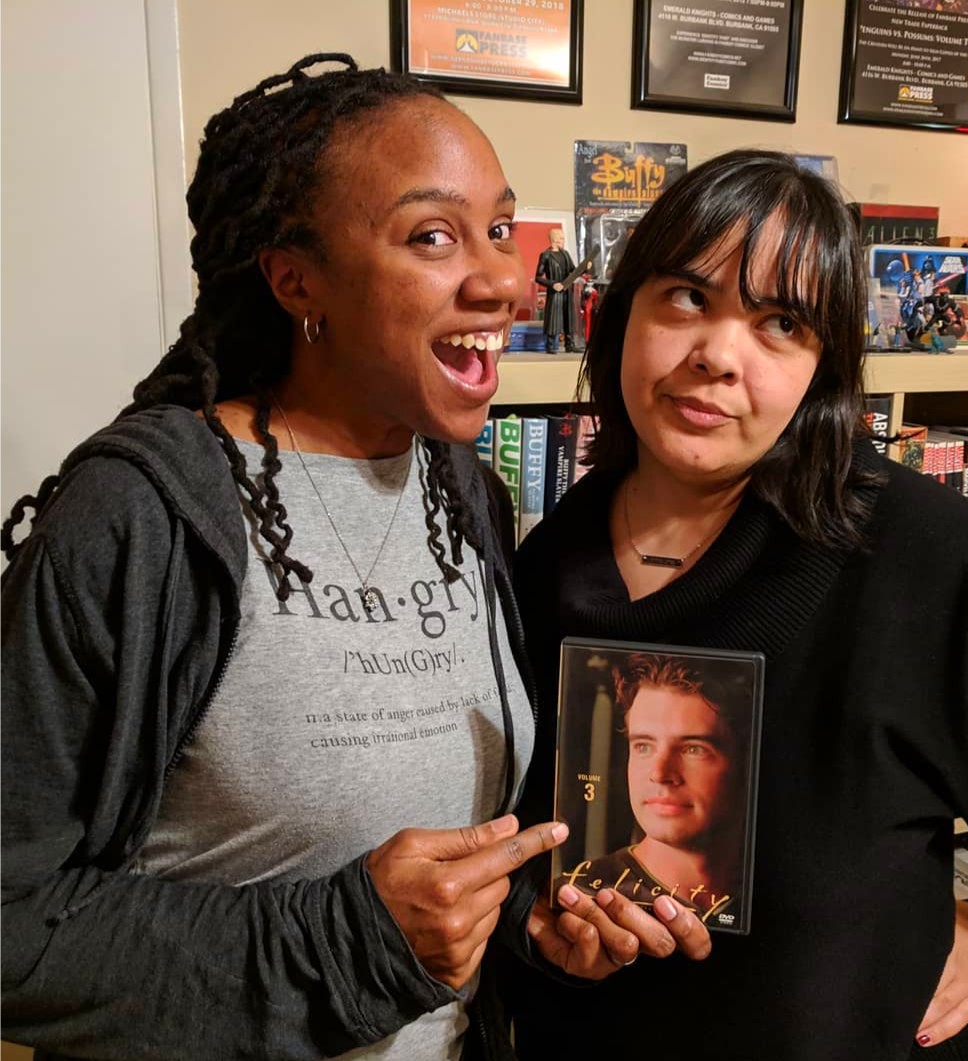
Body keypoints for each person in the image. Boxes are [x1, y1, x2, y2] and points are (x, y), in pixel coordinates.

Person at [0, 54, 701, 1061]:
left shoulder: (468, 494)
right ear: (298, 281)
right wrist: (352, 938)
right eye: (432, 236)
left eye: (500, 229)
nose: (505, 278)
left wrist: (528, 926)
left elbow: (441, 887)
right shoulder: (141, 518)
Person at [502, 150, 968, 1060]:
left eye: (780, 323)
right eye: (687, 297)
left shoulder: (916, 556)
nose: (717, 357)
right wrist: (547, 927)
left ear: (824, 367)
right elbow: (531, 834)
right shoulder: (550, 555)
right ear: (622, 315)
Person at [562, 653, 750, 930]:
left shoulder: (769, 895)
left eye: (694, 749)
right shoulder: (579, 898)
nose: (660, 774)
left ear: (744, 761)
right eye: (644, 746)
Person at [534, 228, 576, 353]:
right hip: (555, 293)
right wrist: (552, 284)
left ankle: (570, 343)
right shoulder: (546, 255)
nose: (563, 241)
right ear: (555, 240)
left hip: (567, 291)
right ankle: (551, 345)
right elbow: (538, 277)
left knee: (568, 317)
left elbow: (573, 270)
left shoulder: (565, 254)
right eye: (562, 238)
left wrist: (585, 268)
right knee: (554, 319)